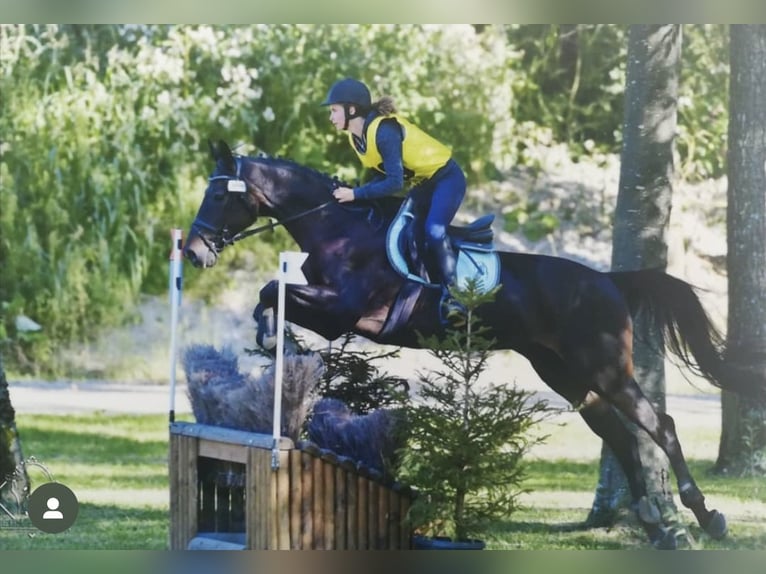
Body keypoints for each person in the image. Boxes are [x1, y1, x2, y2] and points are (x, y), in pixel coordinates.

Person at [321, 77, 466, 291]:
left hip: (447, 178)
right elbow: (382, 176)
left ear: (351, 110)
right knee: (404, 232)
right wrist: (355, 194)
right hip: (424, 184)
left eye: (334, 110)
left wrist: (356, 194)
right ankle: (424, 288)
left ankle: (457, 295)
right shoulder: (356, 138)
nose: (331, 117)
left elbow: (394, 183)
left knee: (434, 232)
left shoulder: (384, 132)